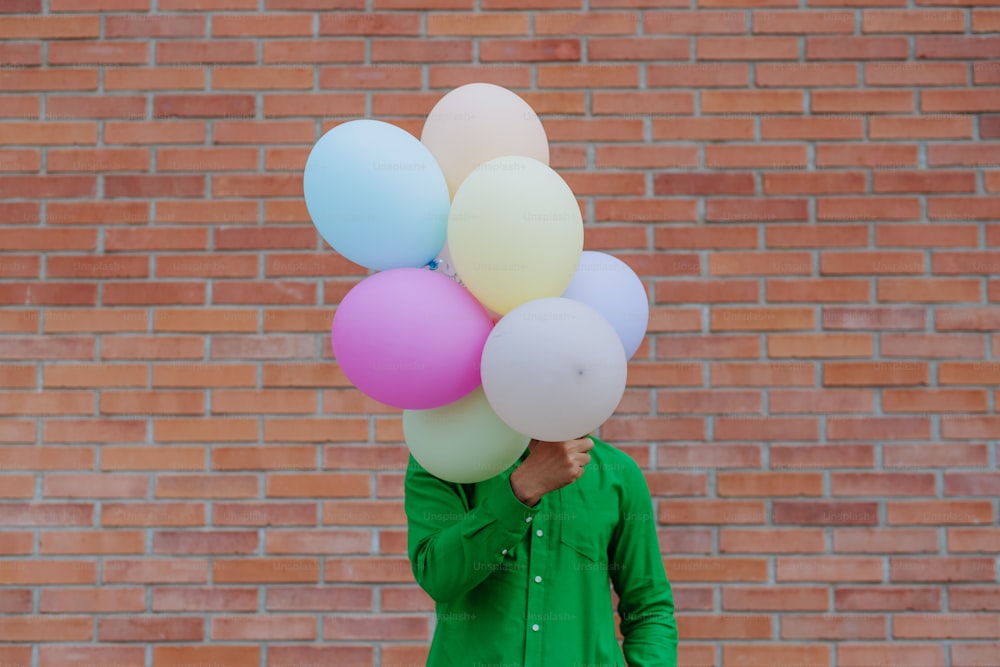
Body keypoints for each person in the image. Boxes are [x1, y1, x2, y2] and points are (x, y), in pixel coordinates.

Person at [404, 433, 678, 666]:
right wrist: (520, 490)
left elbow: (649, 609)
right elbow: (437, 576)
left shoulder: (619, 475)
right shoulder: (442, 459)